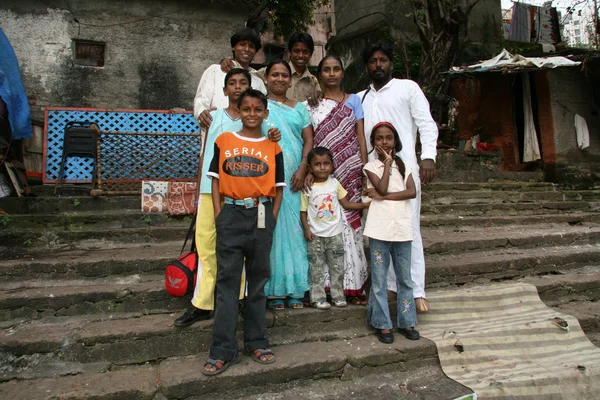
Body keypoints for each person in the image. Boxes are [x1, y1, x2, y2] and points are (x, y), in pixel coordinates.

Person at [174, 69, 279, 327]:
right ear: (224, 91)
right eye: (232, 83)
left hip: (243, 196)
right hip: (212, 193)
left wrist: (274, 133)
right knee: (207, 247)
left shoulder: (257, 120)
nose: (238, 87)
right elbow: (205, 153)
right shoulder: (213, 117)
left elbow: (271, 149)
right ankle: (202, 303)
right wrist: (198, 192)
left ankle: (241, 299)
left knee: (242, 251)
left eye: (243, 82)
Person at [203, 89, 285, 376]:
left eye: (258, 109)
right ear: (238, 111)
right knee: (227, 284)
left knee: (258, 282)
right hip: (231, 215)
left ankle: (257, 341)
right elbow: (214, 180)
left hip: (262, 216)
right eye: (246, 108)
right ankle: (222, 350)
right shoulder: (224, 140)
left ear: (265, 112)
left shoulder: (273, 147)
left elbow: (279, 188)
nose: (252, 114)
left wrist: (271, 220)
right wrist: (219, 214)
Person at [358, 43, 438, 313]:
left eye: (382, 60)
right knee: (380, 231)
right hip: (374, 175)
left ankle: (416, 290)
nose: (378, 64)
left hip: (404, 172)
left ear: (390, 63)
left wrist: (428, 157)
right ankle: (390, 287)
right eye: (372, 61)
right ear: (366, 66)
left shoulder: (408, 88)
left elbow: (426, 123)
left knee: (408, 229)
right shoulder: (361, 98)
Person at [305, 55, 369, 304]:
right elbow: (310, 140)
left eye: (336, 69)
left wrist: (363, 170)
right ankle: (327, 288)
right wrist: (310, 168)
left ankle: (353, 287)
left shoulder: (354, 101)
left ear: (342, 73)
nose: (331, 74)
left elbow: (360, 137)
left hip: (350, 170)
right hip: (324, 172)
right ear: (320, 74)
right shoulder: (312, 104)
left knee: (350, 227)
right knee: (326, 225)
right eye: (326, 70)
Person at [262, 60, 314, 310]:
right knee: (271, 233)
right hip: (267, 178)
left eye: (284, 75)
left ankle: (296, 289)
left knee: (296, 232)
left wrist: (304, 167)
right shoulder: (259, 107)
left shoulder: (300, 109)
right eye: (275, 75)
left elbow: (308, 140)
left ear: (290, 80)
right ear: (266, 78)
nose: (280, 79)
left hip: (295, 179)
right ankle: (273, 291)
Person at [363, 122, 419, 343]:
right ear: (373, 142)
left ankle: (407, 322)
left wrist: (382, 196)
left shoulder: (405, 166)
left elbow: (411, 192)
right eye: (379, 138)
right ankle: (382, 324)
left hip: (403, 229)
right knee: (379, 279)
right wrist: (386, 163)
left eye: (388, 138)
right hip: (379, 228)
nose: (384, 142)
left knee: (405, 279)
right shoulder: (370, 167)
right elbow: (383, 186)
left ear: (395, 141)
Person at [300, 147, 369, 310]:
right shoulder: (307, 188)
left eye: (326, 164)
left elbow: (346, 203)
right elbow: (303, 211)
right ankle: (317, 298)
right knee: (316, 268)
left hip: (335, 235)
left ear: (332, 165)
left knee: (337, 267)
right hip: (315, 236)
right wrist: (306, 230)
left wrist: (364, 205)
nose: (322, 167)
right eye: (317, 164)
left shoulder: (334, 183)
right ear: (310, 168)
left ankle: (338, 296)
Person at [194, 27, 267, 129]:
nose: (246, 49)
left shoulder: (258, 81)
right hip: (214, 129)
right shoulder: (215, 71)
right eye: (242, 44)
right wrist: (201, 112)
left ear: (255, 51)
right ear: (234, 47)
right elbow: (201, 99)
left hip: (247, 135)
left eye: (251, 46)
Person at [221, 32, 320, 102]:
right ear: (289, 52)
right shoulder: (272, 71)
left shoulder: (313, 81)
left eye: (305, 52)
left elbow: (320, 100)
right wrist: (227, 61)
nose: (301, 55)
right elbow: (245, 73)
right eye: (297, 51)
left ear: (311, 54)